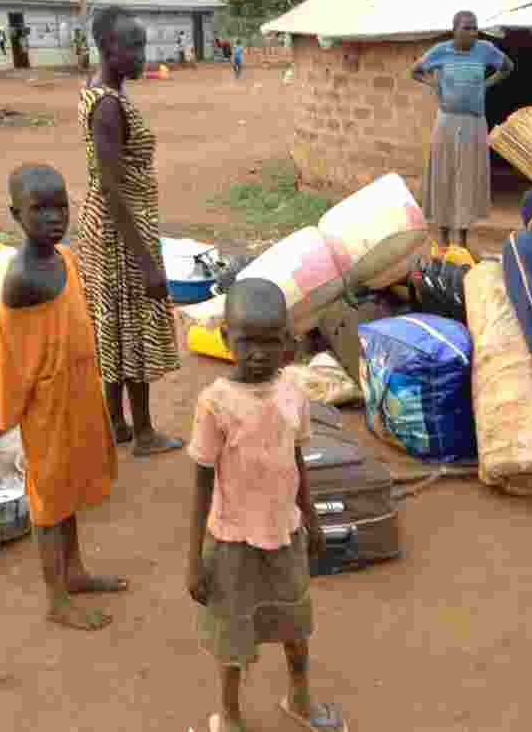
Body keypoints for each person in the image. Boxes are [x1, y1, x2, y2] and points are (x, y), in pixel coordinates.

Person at [186, 278, 347, 732]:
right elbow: (201, 484)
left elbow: (296, 460)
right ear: (224, 339)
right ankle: (230, 715)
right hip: (231, 542)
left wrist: (311, 519)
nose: (258, 353)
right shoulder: (215, 404)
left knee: (296, 627)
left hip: (285, 535)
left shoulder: (293, 393)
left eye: (270, 341)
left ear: (288, 344)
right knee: (232, 638)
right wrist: (194, 560)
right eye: (246, 341)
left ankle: (300, 699)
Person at [0, 164, 128, 632]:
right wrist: (9, 412)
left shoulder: (64, 259)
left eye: (60, 206)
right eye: (39, 209)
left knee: (69, 488)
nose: (54, 218)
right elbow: (12, 357)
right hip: (47, 406)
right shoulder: (22, 280)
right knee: (49, 501)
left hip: (78, 394)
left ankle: (75, 571)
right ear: (15, 214)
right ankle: (56, 598)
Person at [77, 6, 183, 457]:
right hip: (121, 231)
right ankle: (143, 432)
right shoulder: (107, 105)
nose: (143, 54)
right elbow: (113, 187)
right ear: (107, 49)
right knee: (133, 324)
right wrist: (146, 263)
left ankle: (116, 423)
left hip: (107, 227)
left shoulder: (97, 91)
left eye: (143, 44)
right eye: (133, 46)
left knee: (113, 324)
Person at [410, 10, 514, 249]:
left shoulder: (485, 49)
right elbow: (414, 71)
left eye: (475, 27)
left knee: (466, 177)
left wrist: (487, 84)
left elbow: (507, 67)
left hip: (474, 122)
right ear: (454, 29)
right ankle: (444, 237)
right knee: (444, 175)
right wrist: (434, 84)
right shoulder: (440, 51)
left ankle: (463, 239)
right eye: (467, 27)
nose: (472, 32)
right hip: (446, 121)